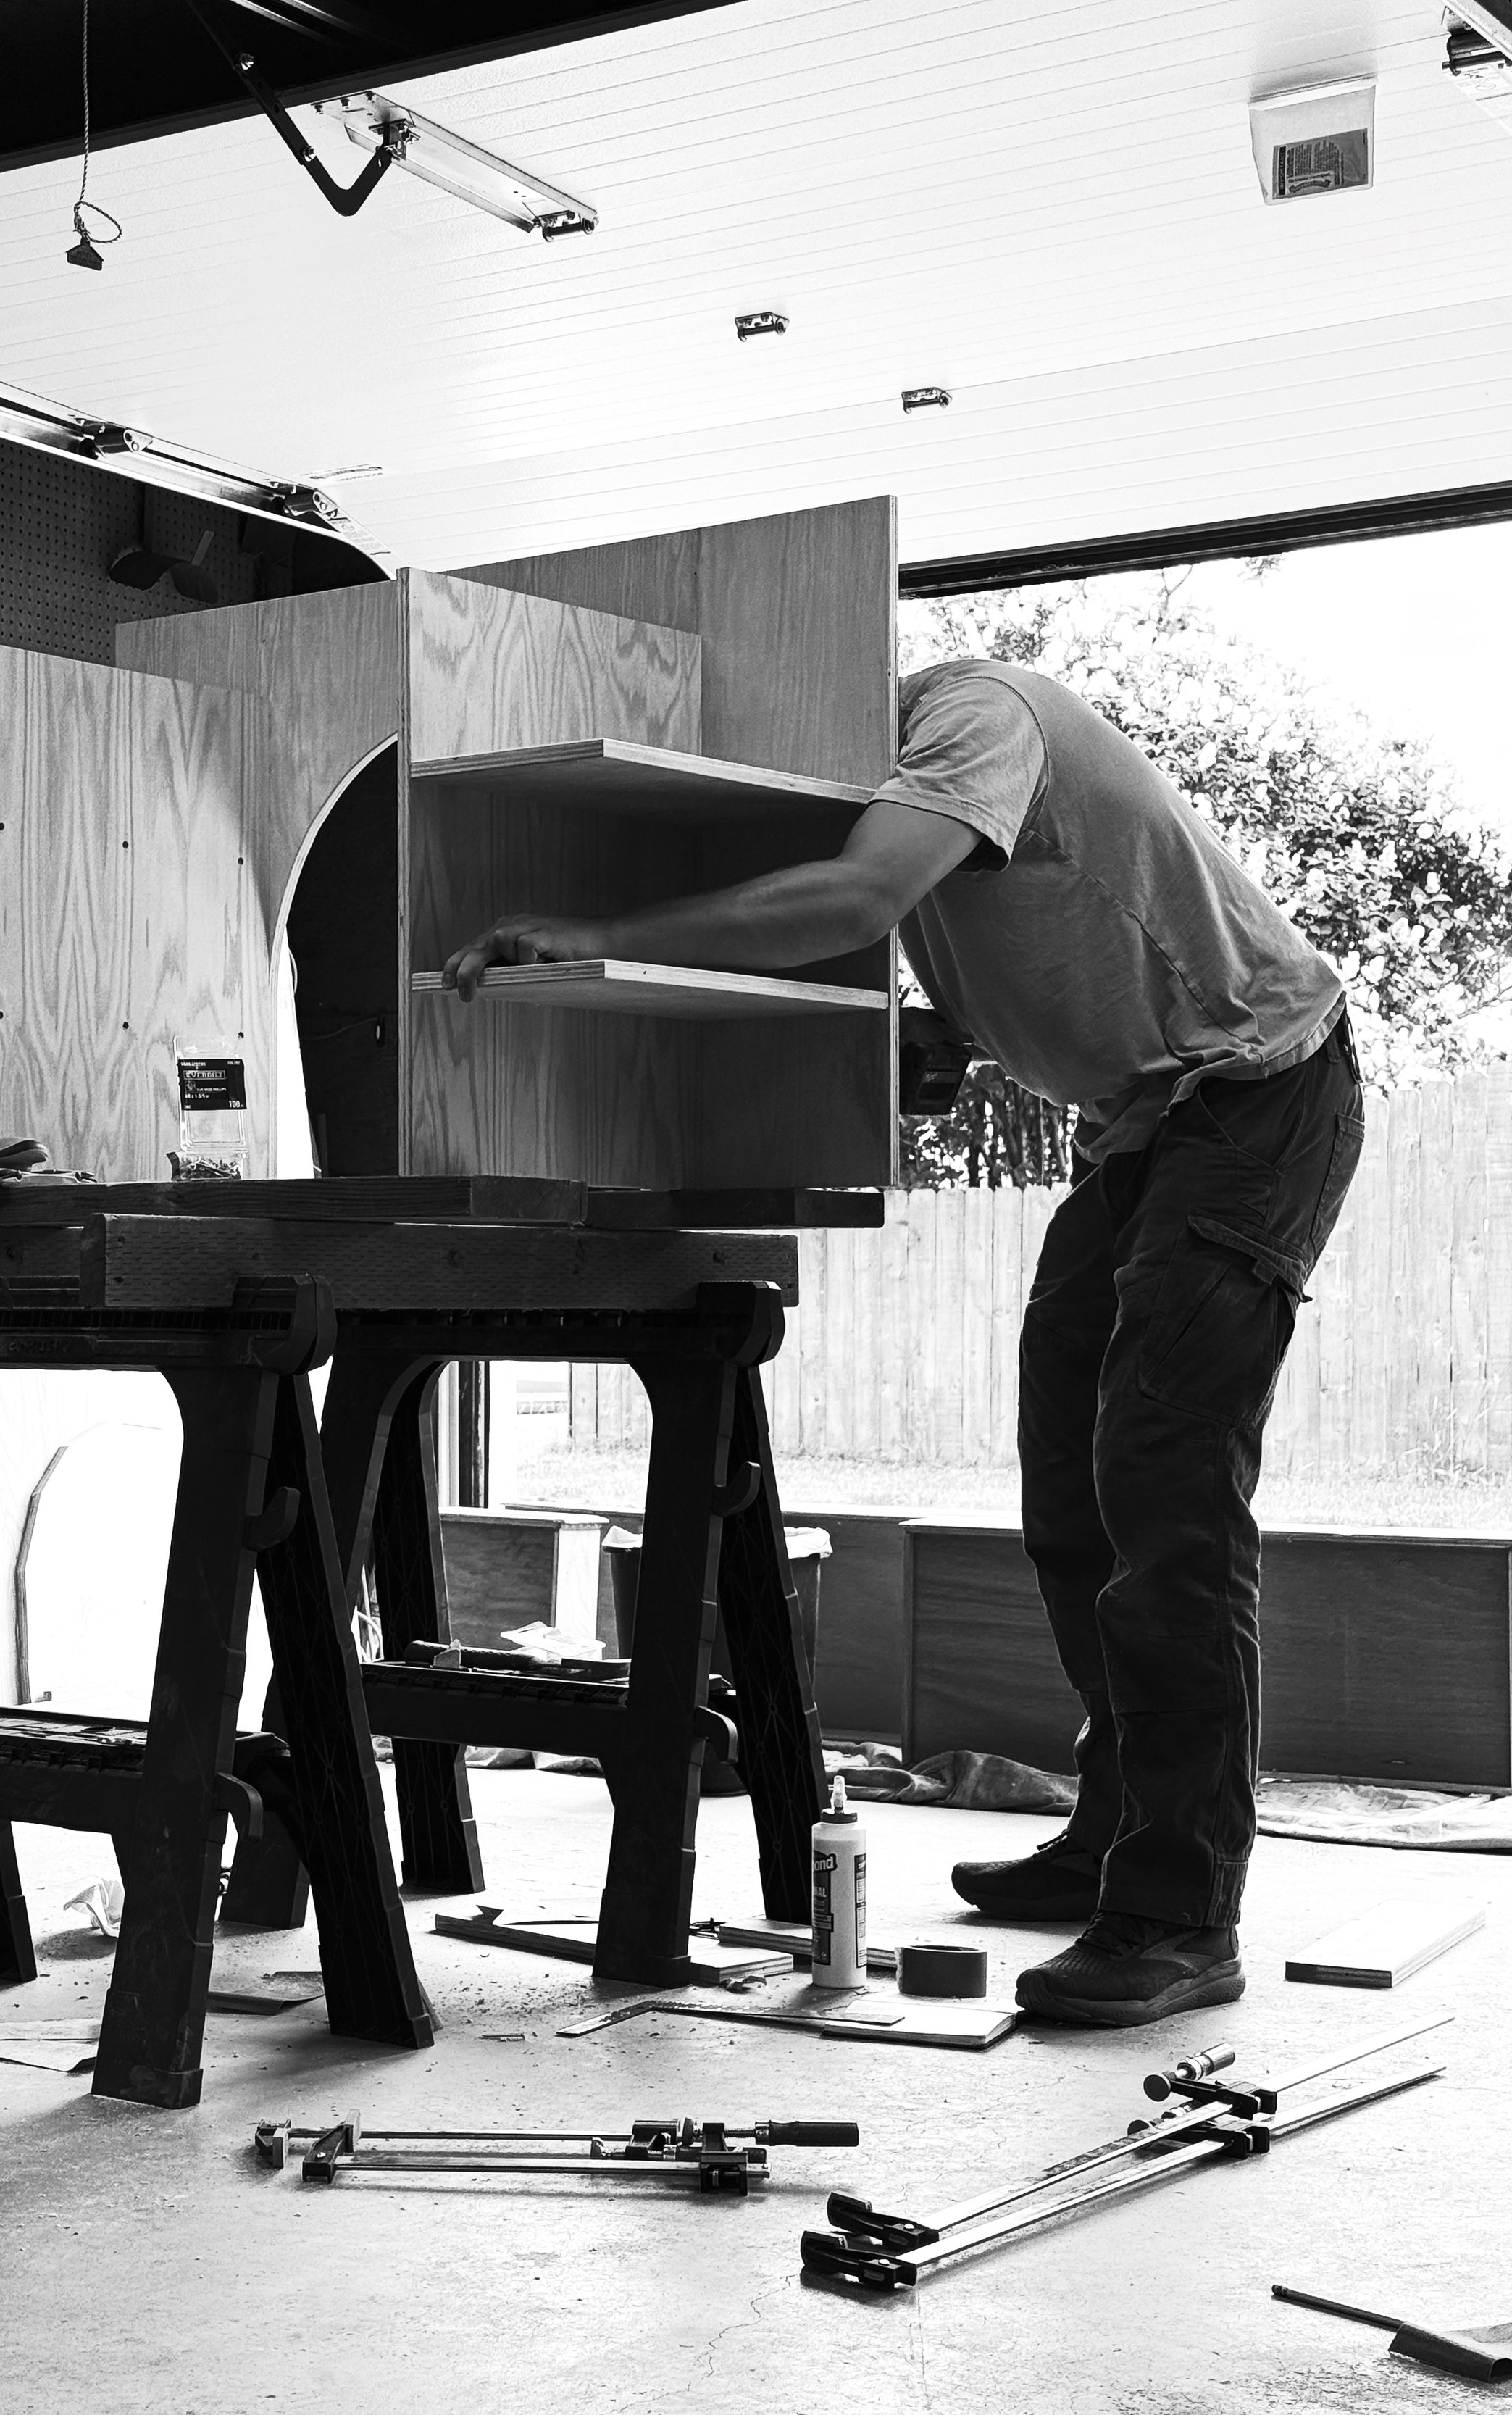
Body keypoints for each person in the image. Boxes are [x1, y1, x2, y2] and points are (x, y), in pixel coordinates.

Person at [442, 654, 1363, 2028]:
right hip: (1145, 1126)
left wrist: (594, 933)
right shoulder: (907, 790)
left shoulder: (969, 717)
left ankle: (1178, 1909)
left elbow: (855, 899)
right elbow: (1044, 937)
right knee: (1072, 1485)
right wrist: (938, 1035)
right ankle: (1117, 1829)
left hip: (1258, 1093)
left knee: (1166, 1492)